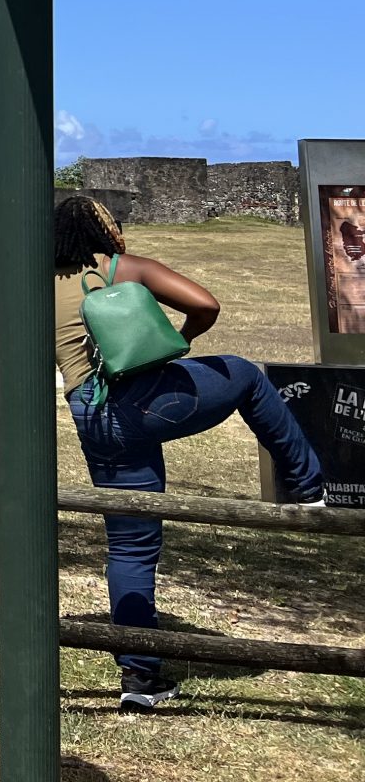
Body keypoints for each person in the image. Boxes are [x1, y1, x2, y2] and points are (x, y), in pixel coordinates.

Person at [53, 194, 326, 712]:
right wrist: (181, 337)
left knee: (129, 548)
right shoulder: (120, 268)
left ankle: (140, 679)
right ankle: (308, 487)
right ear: (103, 231)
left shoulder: (37, 283)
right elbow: (206, 304)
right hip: (145, 399)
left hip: (91, 414)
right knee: (244, 374)